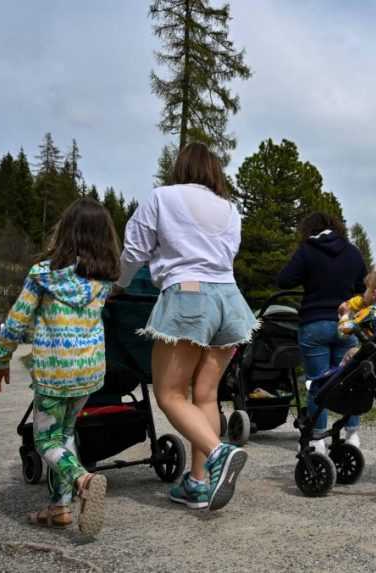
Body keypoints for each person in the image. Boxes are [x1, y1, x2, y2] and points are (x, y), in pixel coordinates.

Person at [119, 142, 256, 512]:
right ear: (214, 172)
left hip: (189, 298)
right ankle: (197, 483)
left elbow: (133, 251)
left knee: (170, 394)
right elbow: (228, 256)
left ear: (181, 168)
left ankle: (217, 453)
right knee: (206, 395)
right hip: (230, 301)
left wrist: (118, 285)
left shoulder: (162, 198)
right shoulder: (231, 210)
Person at [0, 198, 119, 535]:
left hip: (53, 372)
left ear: (65, 233)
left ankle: (82, 480)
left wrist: (0, 360)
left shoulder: (42, 275)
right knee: (66, 434)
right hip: (88, 372)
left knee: (46, 441)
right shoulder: (102, 282)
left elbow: (16, 322)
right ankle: (59, 508)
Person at [277, 212, 367, 453]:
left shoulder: (307, 250)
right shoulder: (352, 252)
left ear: (309, 229)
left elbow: (283, 281)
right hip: (346, 324)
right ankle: (352, 436)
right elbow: (363, 290)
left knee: (318, 383)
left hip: (315, 324)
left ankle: (317, 440)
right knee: (347, 382)